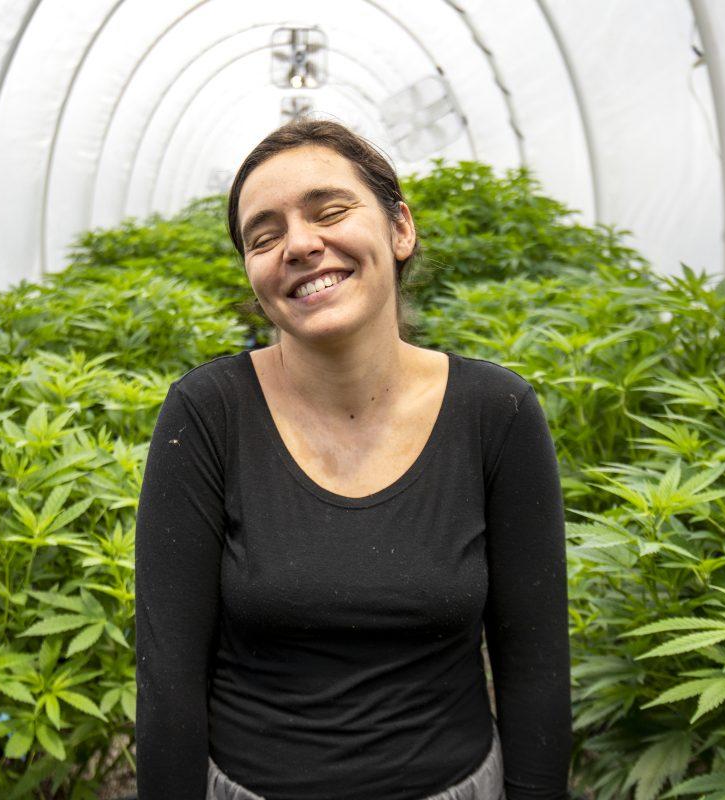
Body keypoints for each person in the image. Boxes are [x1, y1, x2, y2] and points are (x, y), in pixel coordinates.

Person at [135, 117, 571, 800]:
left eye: (329, 211)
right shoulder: (207, 412)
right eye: (265, 235)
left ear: (400, 228)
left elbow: (535, 663)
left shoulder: (497, 411)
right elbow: (168, 678)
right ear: (252, 275)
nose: (300, 245)